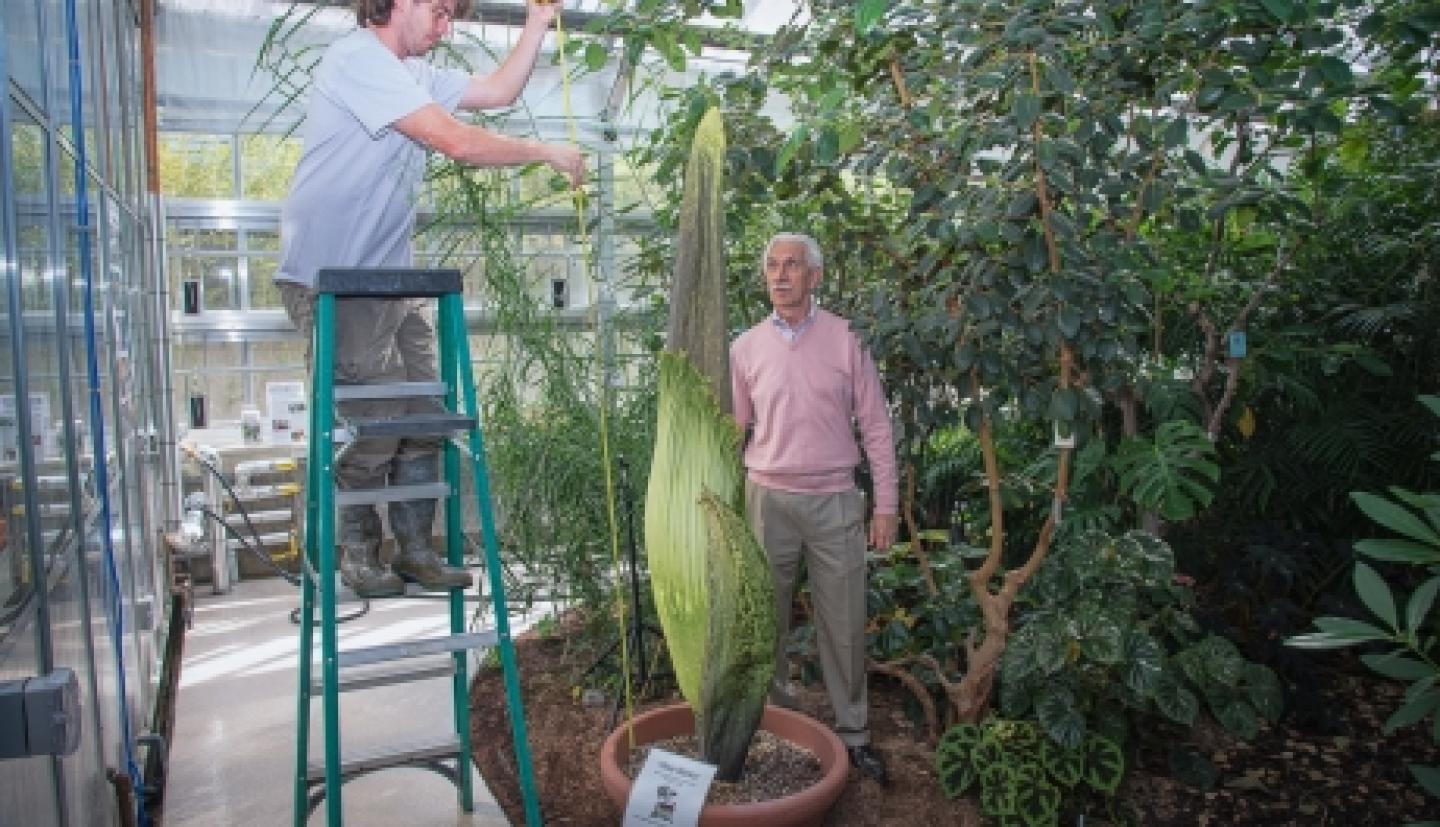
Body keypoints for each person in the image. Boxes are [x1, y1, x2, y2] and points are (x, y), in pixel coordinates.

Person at [274, 0, 584, 597]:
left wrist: (538, 22)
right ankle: (359, 551)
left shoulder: (416, 74)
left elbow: (499, 91)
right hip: (333, 283)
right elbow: (457, 142)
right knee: (377, 422)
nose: (447, 29)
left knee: (427, 420)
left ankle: (416, 549)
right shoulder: (355, 59)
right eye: (441, 12)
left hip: (392, 283)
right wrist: (545, 153)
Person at [730, 232, 899, 785]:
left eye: (793, 266)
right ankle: (778, 726)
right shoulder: (745, 348)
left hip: (834, 500)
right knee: (765, 622)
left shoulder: (848, 339)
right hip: (766, 500)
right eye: (772, 266)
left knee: (844, 622)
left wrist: (886, 506)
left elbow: (875, 425)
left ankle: (853, 736)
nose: (780, 275)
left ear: (815, 276)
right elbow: (733, 431)